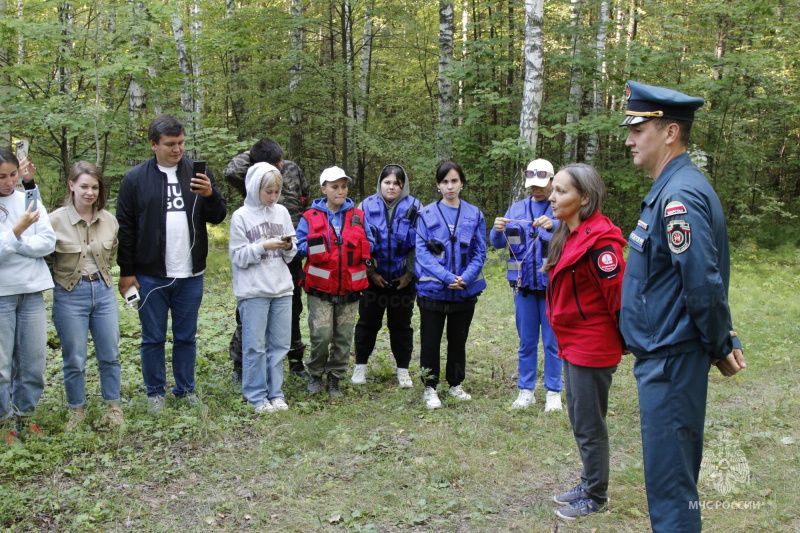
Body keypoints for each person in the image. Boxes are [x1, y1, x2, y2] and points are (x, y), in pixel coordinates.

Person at [619, 80, 746, 532]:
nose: (629, 139)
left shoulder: (679, 196)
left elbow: (702, 283)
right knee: (669, 480)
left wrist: (719, 342)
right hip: (664, 357)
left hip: (672, 361)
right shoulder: (671, 187)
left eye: (638, 129)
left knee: (672, 490)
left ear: (670, 133)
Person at [116, 114, 227, 413]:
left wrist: (210, 194)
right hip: (151, 275)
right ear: (153, 145)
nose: (177, 150)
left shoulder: (196, 173)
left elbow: (218, 216)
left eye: (180, 143)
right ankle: (155, 393)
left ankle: (185, 389)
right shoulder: (135, 179)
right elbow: (125, 229)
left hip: (191, 273)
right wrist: (127, 273)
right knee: (152, 338)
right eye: (169, 144)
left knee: (185, 336)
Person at [543, 163, 626, 520]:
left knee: (590, 425)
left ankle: (596, 494)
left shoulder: (601, 244)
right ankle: (589, 479)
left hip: (593, 345)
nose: (552, 196)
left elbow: (619, 299)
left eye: (561, 191)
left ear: (585, 198)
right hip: (572, 341)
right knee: (580, 418)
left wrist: (625, 343)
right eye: (554, 189)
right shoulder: (569, 233)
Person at [224, 139, 310, 381]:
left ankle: (295, 361)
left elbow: (307, 200)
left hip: (288, 250)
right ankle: (241, 366)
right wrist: (254, 156)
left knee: (292, 306)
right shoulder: (252, 175)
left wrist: (297, 238)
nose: (280, 165)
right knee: (250, 313)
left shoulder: (292, 169)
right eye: (275, 162)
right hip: (257, 253)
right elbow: (230, 171)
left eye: (281, 159)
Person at [47, 161, 123, 430]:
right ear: (71, 186)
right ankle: (76, 411)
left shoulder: (109, 219)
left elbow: (111, 253)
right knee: (75, 357)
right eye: (84, 186)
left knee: (110, 353)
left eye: (94, 187)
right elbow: (46, 259)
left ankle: (113, 408)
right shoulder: (54, 220)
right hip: (70, 294)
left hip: (102, 292)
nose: (89, 192)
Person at [490, 158, 563, 411]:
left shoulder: (561, 208)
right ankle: (526, 390)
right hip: (523, 287)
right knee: (526, 342)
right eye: (532, 184)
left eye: (542, 184)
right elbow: (498, 243)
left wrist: (553, 224)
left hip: (552, 287)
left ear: (552, 181)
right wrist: (497, 229)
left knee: (553, 342)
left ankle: (554, 391)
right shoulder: (516, 209)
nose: (537, 189)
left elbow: (573, 233)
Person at [296, 166, 374, 397]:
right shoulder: (310, 217)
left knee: (343, 338)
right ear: (324, 189)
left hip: (351, 289)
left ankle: (335, 378)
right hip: (320, 288)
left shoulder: (358, 216)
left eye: (343, 186)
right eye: (334, 187)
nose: (340, 191)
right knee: (321, 336)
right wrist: (317, 244)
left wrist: (361, 248)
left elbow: (370, 243)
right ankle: (315, 374)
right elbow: (299, 247)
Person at [414, 161, 487, 409]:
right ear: (438, 185)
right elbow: (422, 254)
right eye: (445, 182)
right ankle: (430, 387)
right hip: (433, 291)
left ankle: (456, 383)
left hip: (464, 291)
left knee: (458, 340)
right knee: (430, 340)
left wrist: (465, 277)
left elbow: (480, 251)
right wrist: (447, 277)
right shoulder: (425, 214)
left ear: (462, 183)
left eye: (454, 181)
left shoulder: (475, 214)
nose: (450, 186)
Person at [229, 163, 296, 413]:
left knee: (279, 345)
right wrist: (262, 246)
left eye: (277, 191)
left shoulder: (282, 212)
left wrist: (288, 246)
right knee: (255, 346)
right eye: (268, 191)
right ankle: (256, 395)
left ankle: (275, 393)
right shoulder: (241, 216)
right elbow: (237, 256)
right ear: (255, 187)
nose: (273, 196)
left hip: (281, 288)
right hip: (254, 290)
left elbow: (292, 249)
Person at [0, 148, 55, 443]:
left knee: (33, 362)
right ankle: (5, 424)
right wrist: (20, 230)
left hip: (32, 291)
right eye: (1, 177)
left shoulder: (27, 199)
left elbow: (47, 242)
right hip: (2, 294)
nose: (8, 182)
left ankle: (25, 417)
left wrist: (13, 242)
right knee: (2, 368)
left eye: (12, 175)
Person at [352, 164, 421, 388]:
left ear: (403, 185)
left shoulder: (416, 207)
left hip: (403, 280)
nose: (392, 187)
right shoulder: (364, 206)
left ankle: (403, 370)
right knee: (367, 323)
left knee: (401, 325)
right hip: (373, 279)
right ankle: (360, 367)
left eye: (397, 183)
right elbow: (358, 241)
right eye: (387, 182)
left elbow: (421, 244)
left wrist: (409, 274)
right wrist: (371, 272)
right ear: (380, 183)